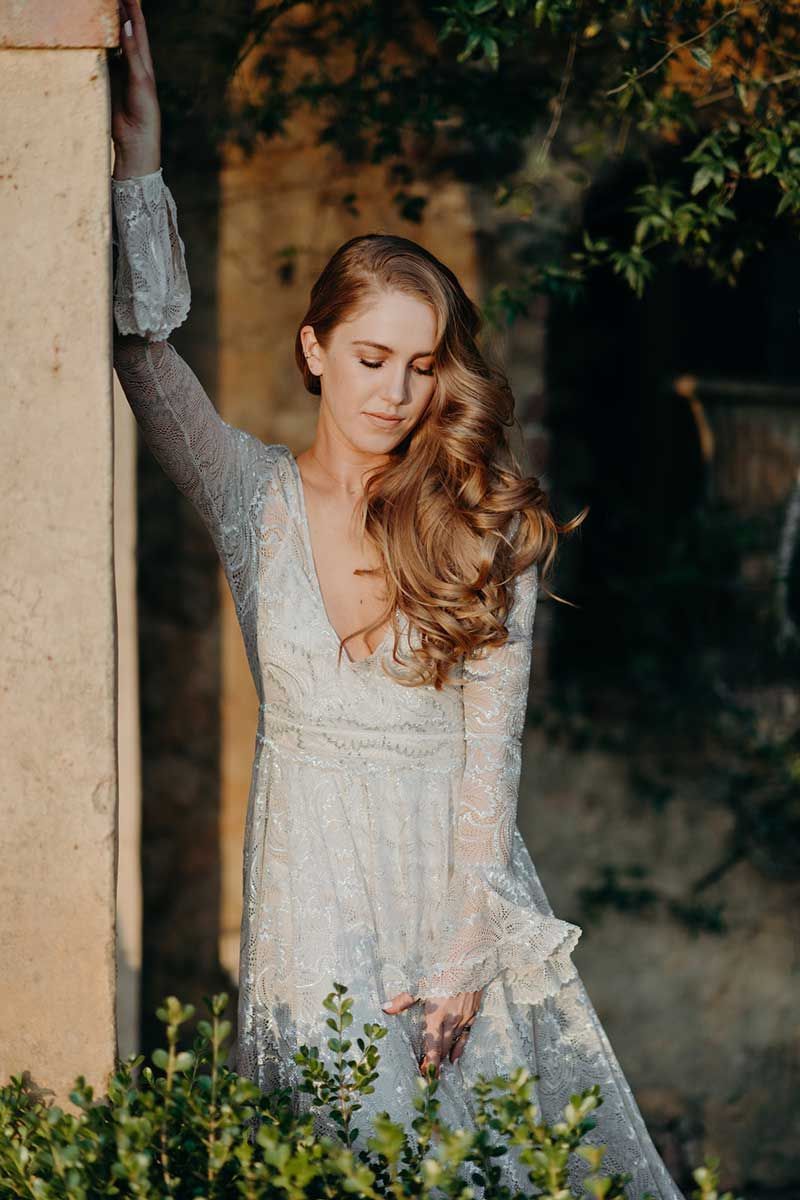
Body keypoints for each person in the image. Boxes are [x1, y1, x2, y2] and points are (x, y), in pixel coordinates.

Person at [109, 4, 687, 1197]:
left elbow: (490, 767)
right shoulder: (246, 497)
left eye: (422, 367)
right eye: (371, 358)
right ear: (315, 350)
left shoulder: (481, 528)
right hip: (301, 906)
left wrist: (463, 957)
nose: (396, 391)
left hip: (443, 910)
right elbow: (143, 354)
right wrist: (138, 159)